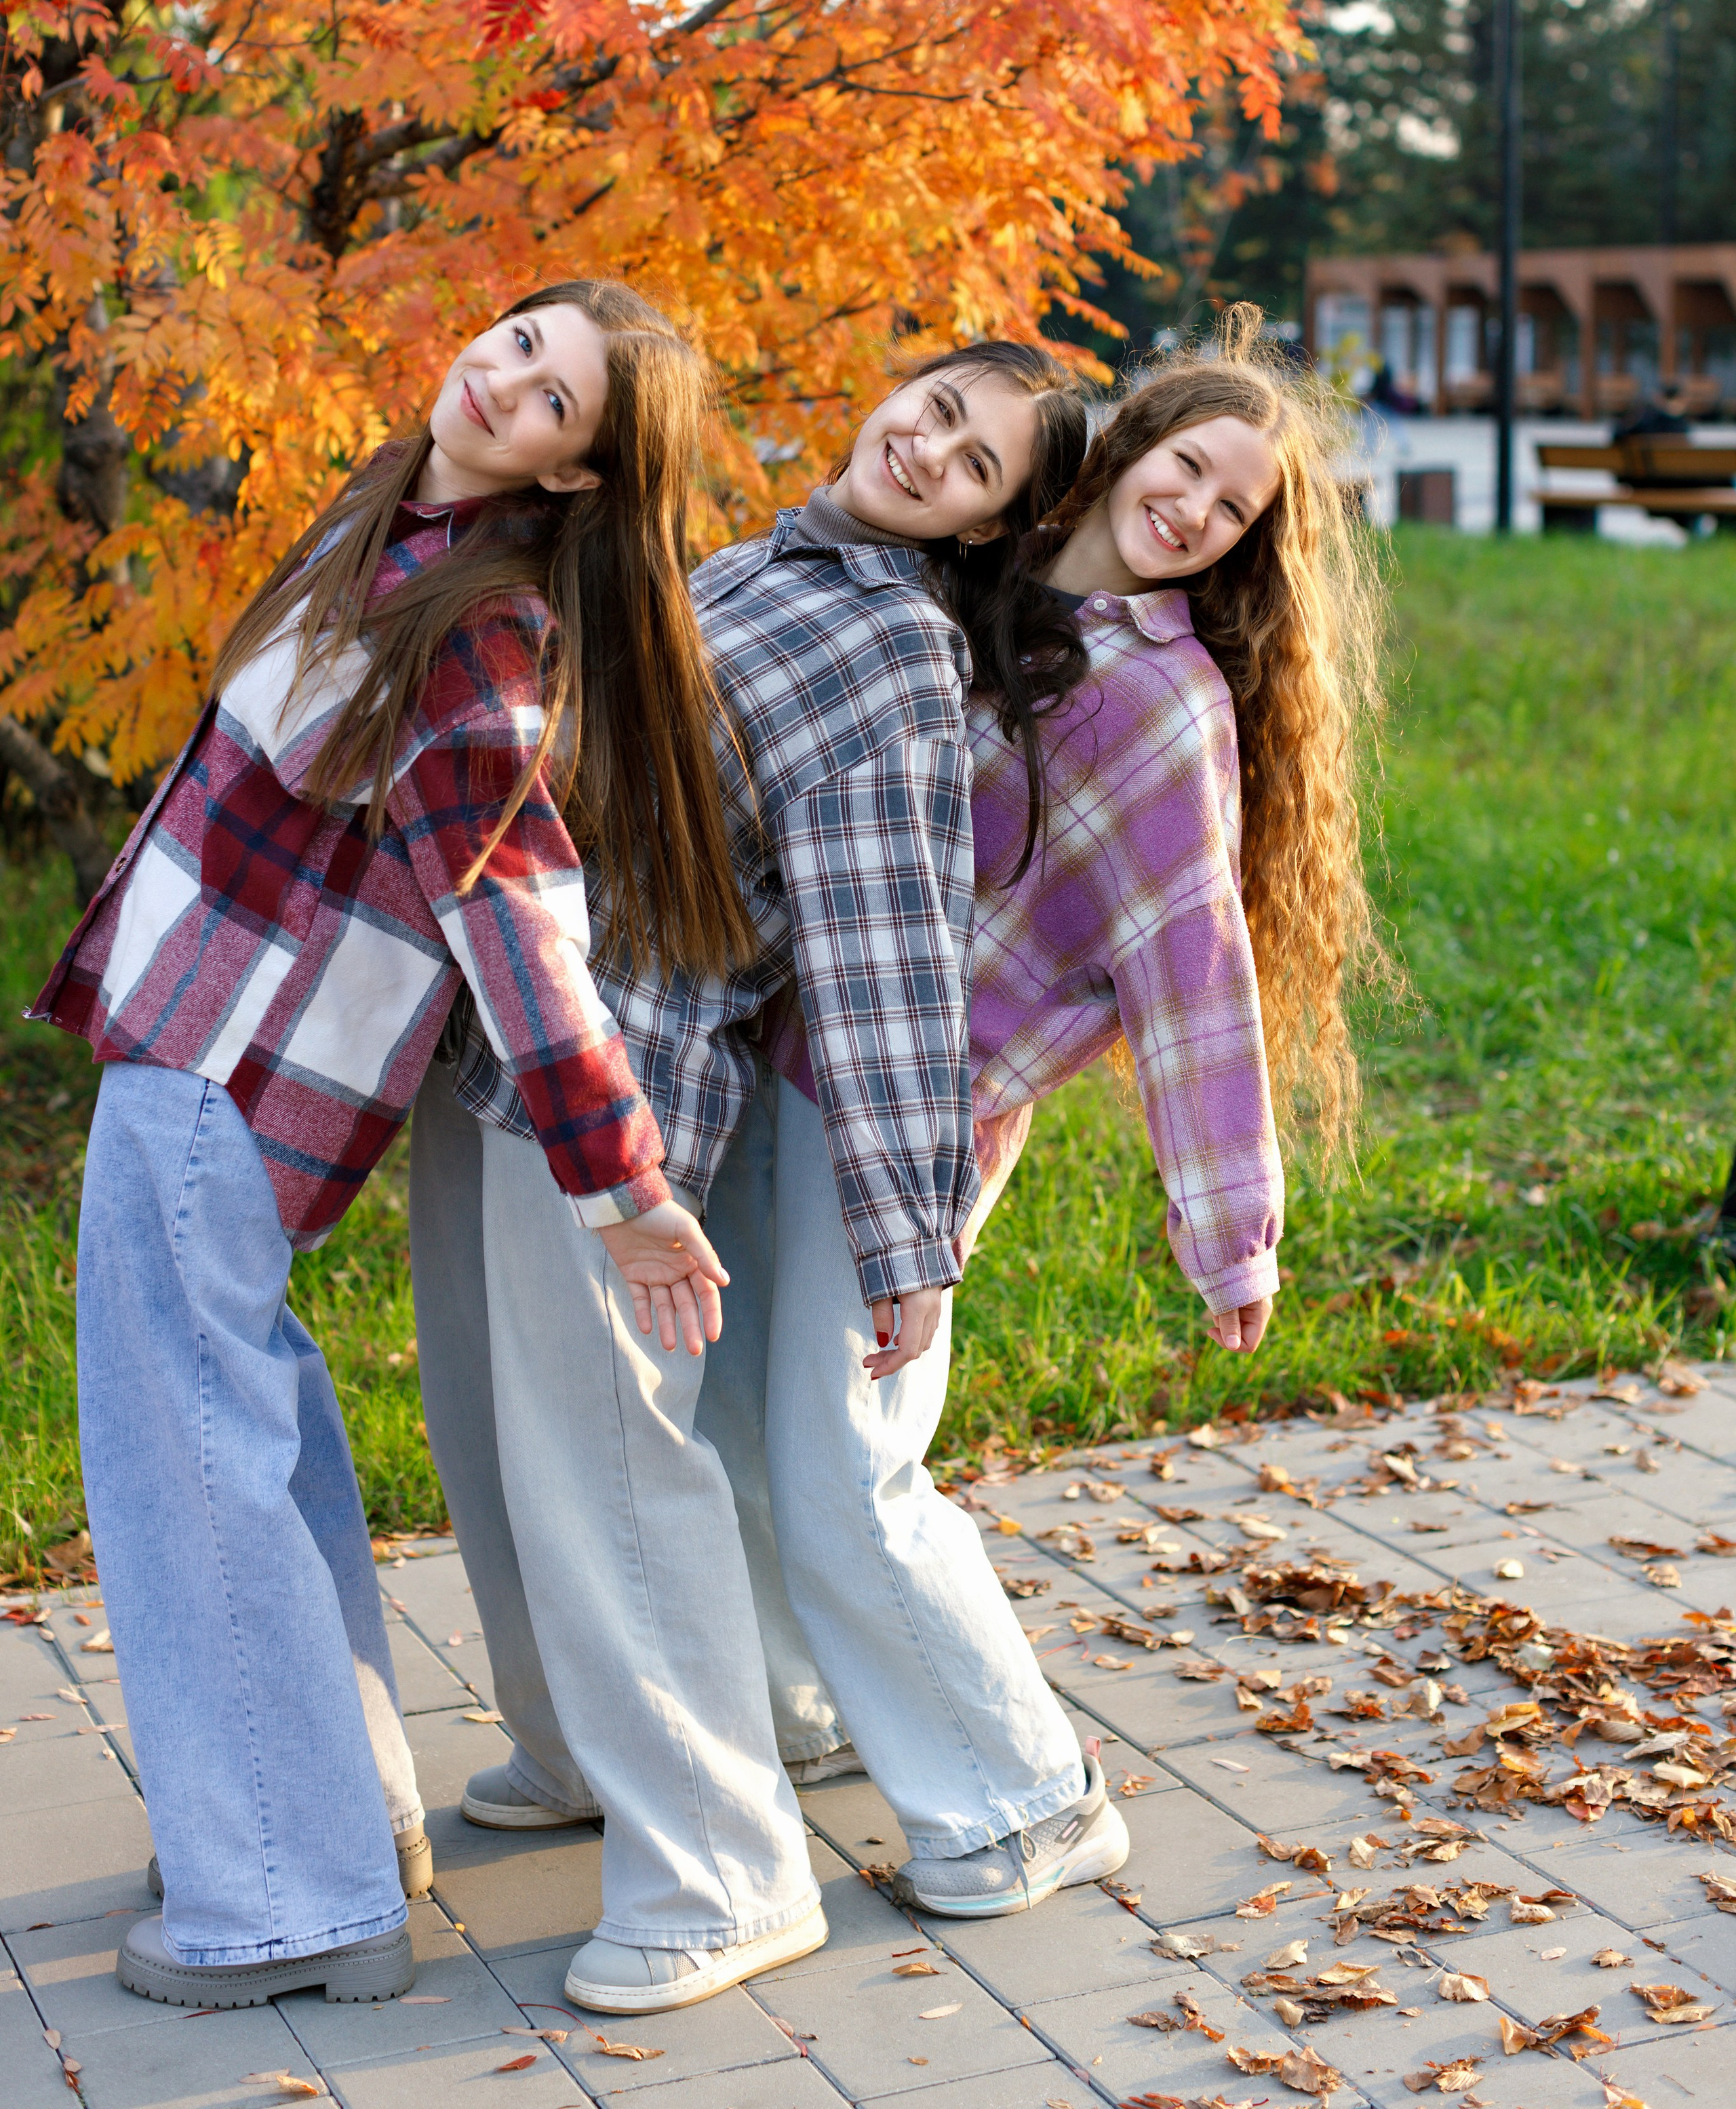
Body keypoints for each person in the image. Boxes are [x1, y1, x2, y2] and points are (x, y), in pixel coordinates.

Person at [31, 280, 753, 2009]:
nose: (505, 384)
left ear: (581, 476)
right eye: (514, 344)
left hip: (230, 1081)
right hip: (196, 1055)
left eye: (557, 400)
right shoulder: (397, 526)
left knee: (186, 1472)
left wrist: (621, 1184)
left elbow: (517, 918)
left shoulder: (477, 630)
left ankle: (290, 1894)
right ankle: (330, 1822)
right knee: (249, 1448)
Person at [412, 338, 1095, 2009]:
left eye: (980, 460)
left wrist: (904, 1238)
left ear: (995, 523)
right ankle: (586, 1746)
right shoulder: (760, 558)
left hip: (623, 1070)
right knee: (496, 1444)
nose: (930, 447)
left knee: (612, 1472)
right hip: (506, 1028)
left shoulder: (889, 655)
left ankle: (724, 1872)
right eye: (934, 405)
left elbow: (883, 970)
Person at [751, 303, 1382, 1916]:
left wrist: (1229, 1232)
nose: (1193, 510)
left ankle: (1027, 1799)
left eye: (1231, 510)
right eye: (1187, 467)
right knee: (759, 1433)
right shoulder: (975, 591)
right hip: (787, 1062)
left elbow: (1192, 970)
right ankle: (805, 1709)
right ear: (1128, 448)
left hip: (919, 1118)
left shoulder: (1161, 708)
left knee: (851, 1461)